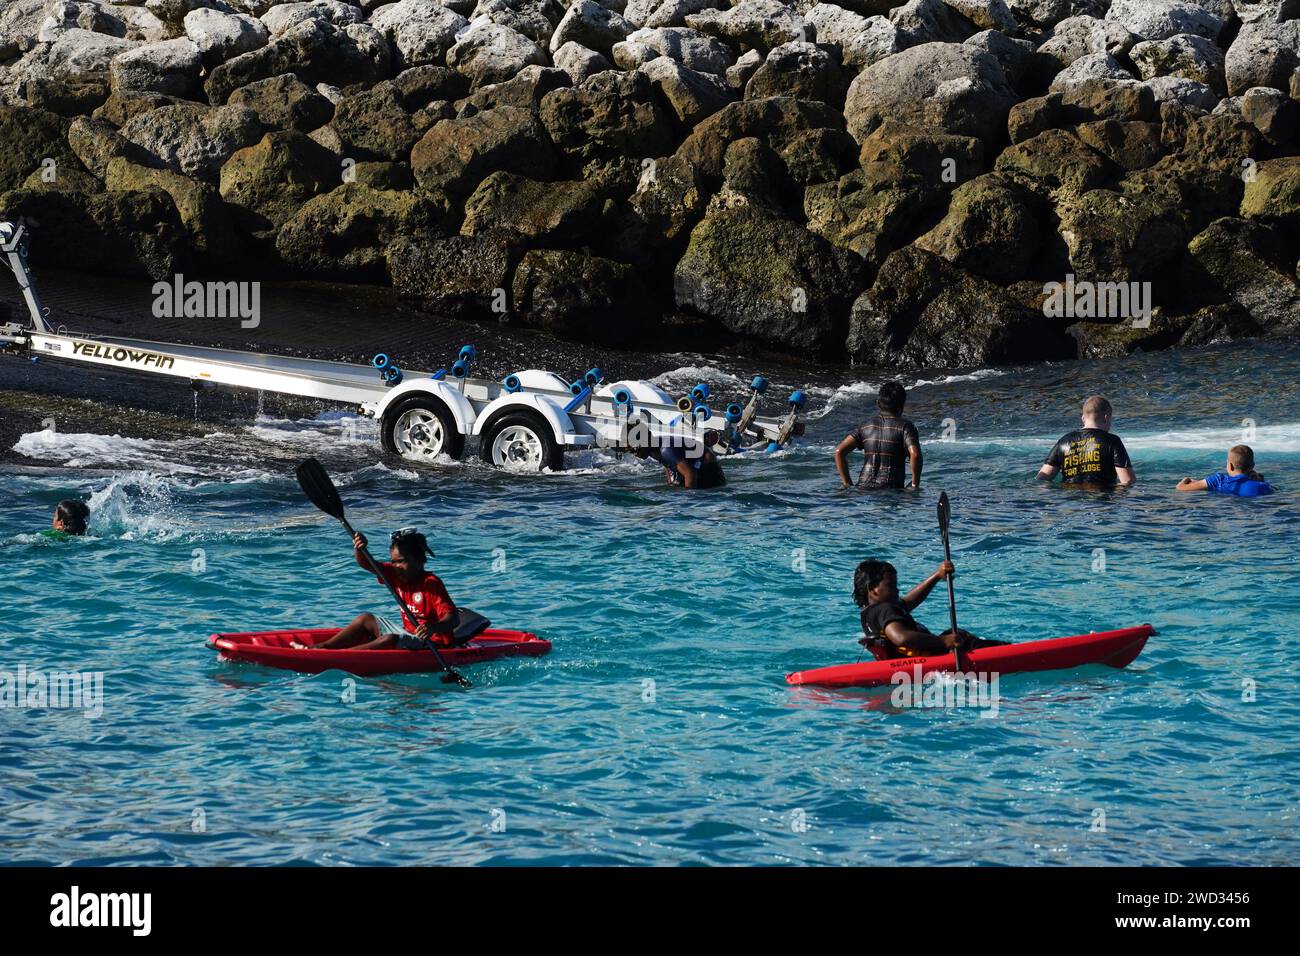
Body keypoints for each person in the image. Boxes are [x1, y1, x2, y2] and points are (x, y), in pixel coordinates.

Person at [296, 528, 457, 650]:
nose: (396, 567)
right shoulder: (395, 574)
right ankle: (323, 647)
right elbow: (367, 563)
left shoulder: (431, 583)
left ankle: (342, 656)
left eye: (401, 561)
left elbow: (453, 619)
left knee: (390, 639)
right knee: (365, 618)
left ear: (420, 560)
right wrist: (359, 548)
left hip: (433, 643)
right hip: (409, 635)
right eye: (393, 562)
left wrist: (432, 628)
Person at [852, 558, 1006, 659]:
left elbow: (909, 601)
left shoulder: (871, 613)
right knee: (959, 636)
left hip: (909, 660)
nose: (898, 590)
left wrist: (937, 576)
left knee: (955, 634)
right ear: (873, 589)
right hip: (928, 657)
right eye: (892, 585)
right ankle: (1008, 652)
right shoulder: (885, 609)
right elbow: (901, 637)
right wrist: (944, 641)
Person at [834, 381, 921, 490]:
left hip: (863, 488)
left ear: (878, 403)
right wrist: (914, 485)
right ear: (902, 405)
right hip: (890, 490)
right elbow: (916, 455)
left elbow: (839, 452)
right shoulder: (905, 427)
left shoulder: (864, 427)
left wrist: (848, 485)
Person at [1037, 395, 1135, 487]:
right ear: (1106, 418)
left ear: (1083, 418)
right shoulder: (1112, 441)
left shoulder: (1063, 441)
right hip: (1102, 500)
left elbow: (1042, 478)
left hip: (1069, 499)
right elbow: (1127, 481)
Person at [630, 428, 726, 489]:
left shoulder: (666, 449)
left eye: (636, 449)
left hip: (705, 463)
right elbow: (667, 464)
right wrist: (671, 485)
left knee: (701, 491)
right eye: (632, 450)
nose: (635, 454)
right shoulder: (650, 449)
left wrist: (689, 500)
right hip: (689, 461)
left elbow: (690, 473)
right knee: (676, 487)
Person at [1176, 444, 1274, 497]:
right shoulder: (1264, 486)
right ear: (1253, 466)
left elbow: (1181, 487)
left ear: (1230, 466)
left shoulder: (1218, 480)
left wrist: (1186, 479)